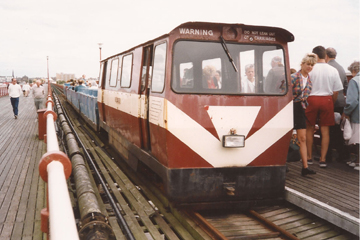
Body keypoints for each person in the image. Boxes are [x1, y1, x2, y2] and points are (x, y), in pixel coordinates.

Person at [305, 46, 344, 168]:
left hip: (311, 99)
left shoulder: (310, 69)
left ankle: (309, 157)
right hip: (327, 99)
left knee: (309, 129)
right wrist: (330, 102)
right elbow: (337, 91)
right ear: (325, 55)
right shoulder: (333, 70)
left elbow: (304, 87)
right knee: (325, 130)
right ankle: (322, 159)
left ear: (315, 55)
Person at [291, 53, 318, 176]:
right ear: (302, 64)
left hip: (300, 109)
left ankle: (305, 167)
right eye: (308, 64)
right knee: (286, 137)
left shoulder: (310, 79)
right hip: (290, 107)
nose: (310, 67)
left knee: (302, 138)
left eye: (312, 65)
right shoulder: (293, 77)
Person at [325, 47, 349, 162]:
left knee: (327, 129)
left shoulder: (327, 68)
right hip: (340, 102)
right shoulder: (341, 68)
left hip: (330, 102)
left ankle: (327, 155)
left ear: (326, 56)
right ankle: (343, 153)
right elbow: (345, 86)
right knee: (338, 129)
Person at [344, 61, 359, 170]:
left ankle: (358, 162)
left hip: (358, 115)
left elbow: (352, 101)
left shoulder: (354, 81)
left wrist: (346, 112)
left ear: (354, 71)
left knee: (358, 139)